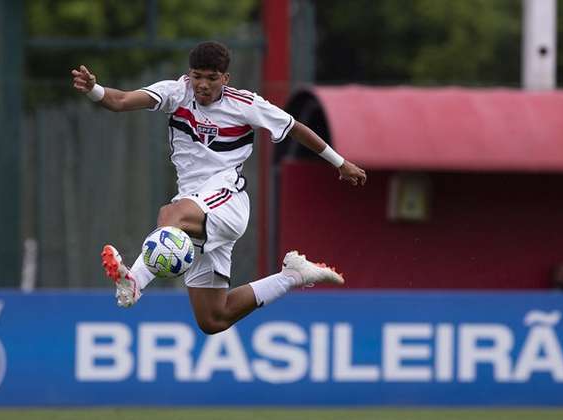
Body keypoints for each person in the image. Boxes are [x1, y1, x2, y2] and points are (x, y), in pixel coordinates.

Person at [71, 41, 367, 334]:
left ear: (225, 78)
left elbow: (295, 128)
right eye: (197, 76)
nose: (202, 84)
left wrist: (340, 163)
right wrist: (94, 90)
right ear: (189, 74)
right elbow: (120, 101)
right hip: (196, 208)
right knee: (214, 319)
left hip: (228, 200)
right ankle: (292, 276)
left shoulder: (245, 104)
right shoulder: (177, 92)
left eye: (211, 78)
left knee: (169, 215)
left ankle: (134, 282)